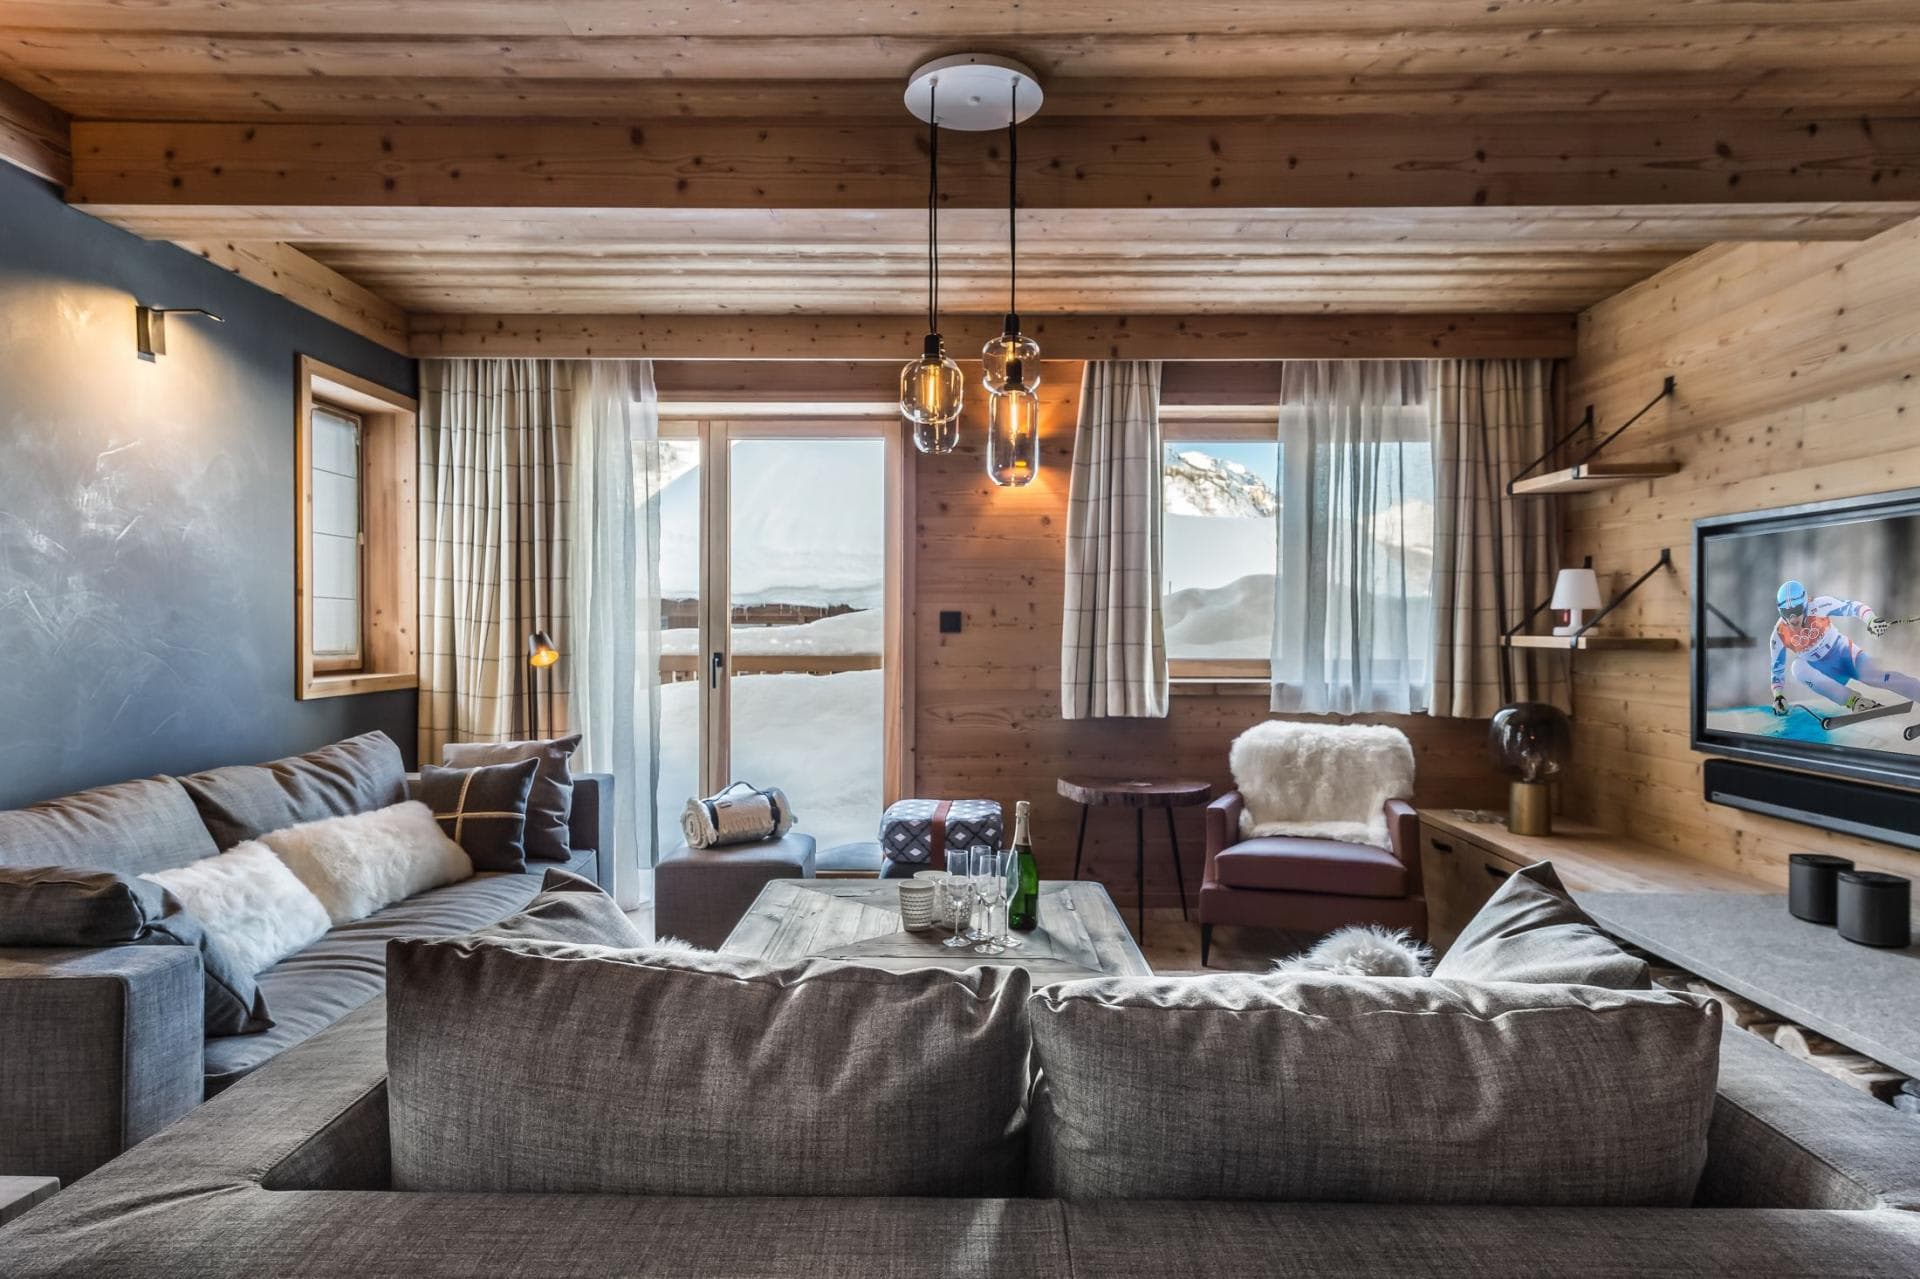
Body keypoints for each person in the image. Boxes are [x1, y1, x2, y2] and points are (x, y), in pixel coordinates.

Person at [1770, 580, 1920, 716]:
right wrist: (1778, 696)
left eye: (1797, 610)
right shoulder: (1778, 634)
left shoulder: (1819, 605)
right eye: (1787, 613)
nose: (1793, 618)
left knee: (1876, 677)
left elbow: (1853, 607)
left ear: (1805, 603)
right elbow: (1777, 670)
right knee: (1797, 668)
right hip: (1825, 672)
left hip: (1843, 654)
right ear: (1780, 610)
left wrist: (1871, 620)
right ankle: (1854, 701)